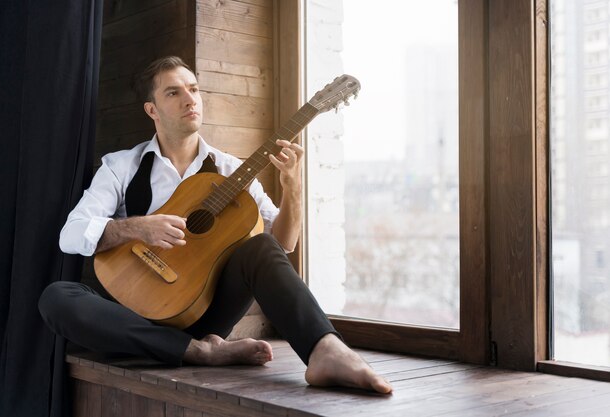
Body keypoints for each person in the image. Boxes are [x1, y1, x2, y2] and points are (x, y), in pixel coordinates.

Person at [39, 56, 392, 394]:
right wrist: (139, 228)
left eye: (194, 89)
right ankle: (198, 352)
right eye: (173, 92)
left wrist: (293, 189)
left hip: (203, 312)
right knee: (57, 297)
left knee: (261, 247)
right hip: (129, 315)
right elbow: (70, 235)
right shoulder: (121, 167)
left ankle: (325, 349)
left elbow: (282, 245)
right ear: (152, 110)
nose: (189, 99)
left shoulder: (232, 172)